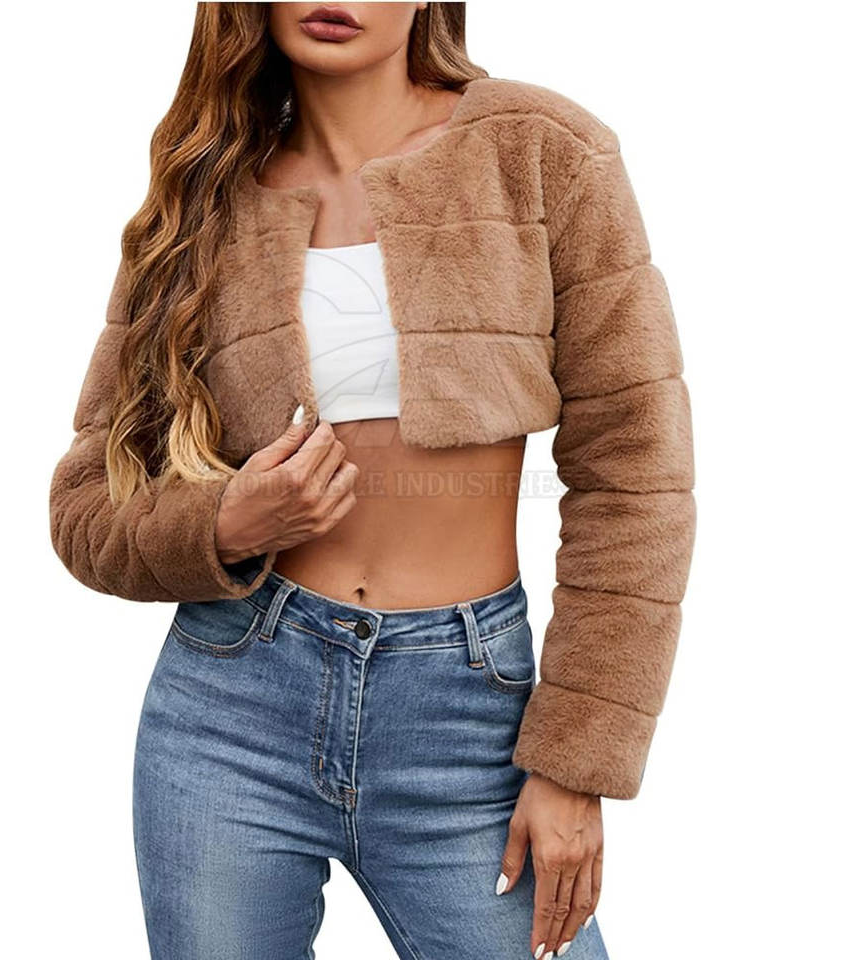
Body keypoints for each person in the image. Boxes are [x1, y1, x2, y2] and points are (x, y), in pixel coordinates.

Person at [48, 4, 695, 958]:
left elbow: (637, 476)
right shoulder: (203, 198)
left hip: (469, 718)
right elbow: (84, 506)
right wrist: (225, 523)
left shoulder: (541, 151)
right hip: (231, 710)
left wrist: (576, 760)